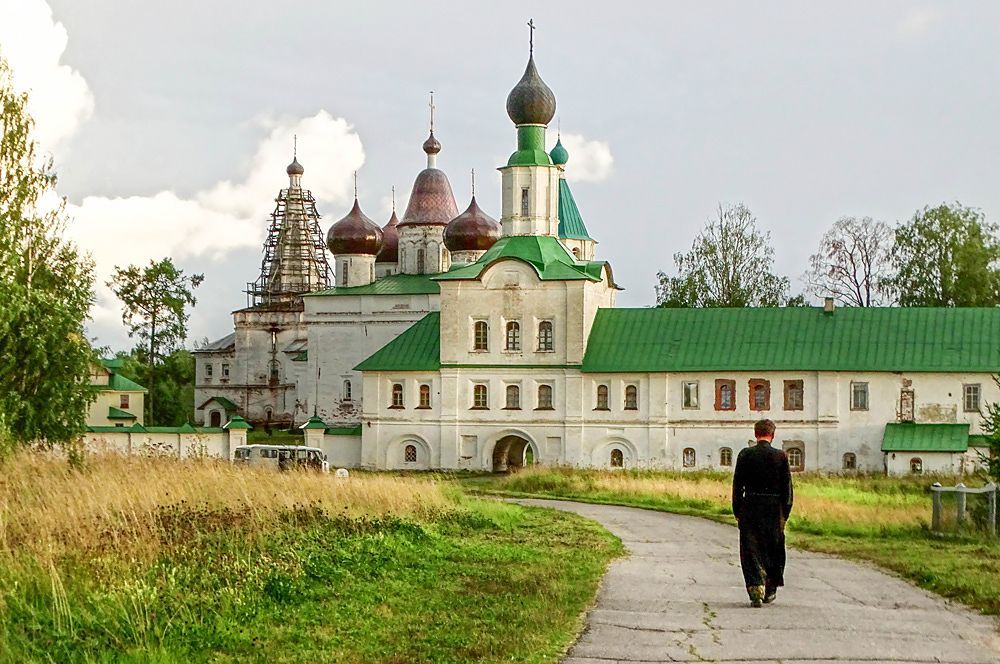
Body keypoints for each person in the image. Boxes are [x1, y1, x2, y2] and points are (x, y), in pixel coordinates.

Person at [731, 419, 794, 607]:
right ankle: (770, 588)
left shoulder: (745, 455)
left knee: (750, 549)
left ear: (755, 433)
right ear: (772, 435)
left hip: (750, 505)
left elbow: (737, 486)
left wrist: (737, 510)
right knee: (773, 548)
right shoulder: (780, 456)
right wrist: (785, 512)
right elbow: (787, 489)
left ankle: (755, 588)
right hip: (773, 508)